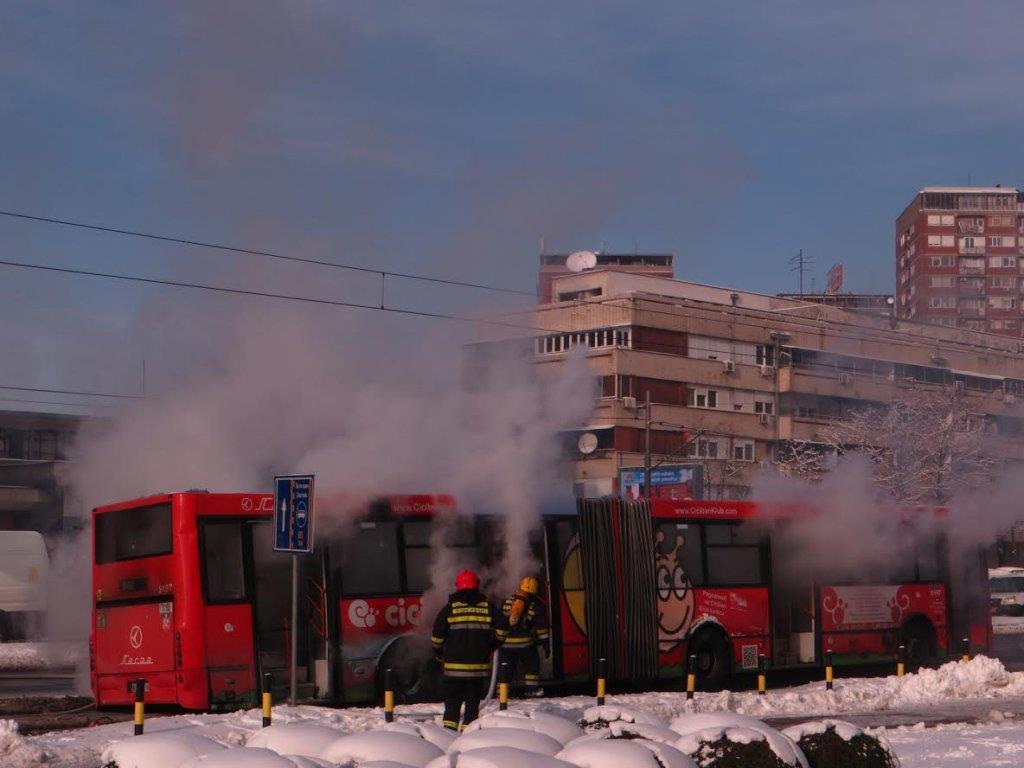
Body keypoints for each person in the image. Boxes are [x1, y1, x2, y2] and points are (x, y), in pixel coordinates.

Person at [430, 569, 500, 731]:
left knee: (452, 707)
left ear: (457, 586)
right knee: (472, 707)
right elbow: (504, 628)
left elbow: (437, 636)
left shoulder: (450, 609)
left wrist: (439, 653)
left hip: (453, 672)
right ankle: (468, 736)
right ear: (477, 585)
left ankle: (449, 734)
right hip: (477, 672)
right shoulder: (488, 608)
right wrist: (493, 644)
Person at [498, 576, 550, 695]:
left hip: (506, 645)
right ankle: (532, 691)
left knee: (505, 669)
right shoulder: (536, 605)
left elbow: (500, 622)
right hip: (525, 645)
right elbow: (541, 629)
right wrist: (546, 644)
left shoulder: (506, 602)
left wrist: (498, 641)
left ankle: (501, 694)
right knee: (532, 665)